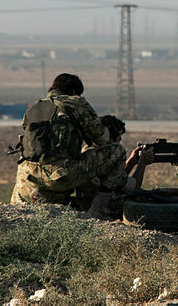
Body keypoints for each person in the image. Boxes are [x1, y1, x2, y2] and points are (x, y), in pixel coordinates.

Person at [10, 73, 152, 215]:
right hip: (61, 175)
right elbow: (102, 138)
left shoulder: (35, 108)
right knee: (116, 151)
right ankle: (101, 210)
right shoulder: (75, 102)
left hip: (29, 177)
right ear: (73, 92)